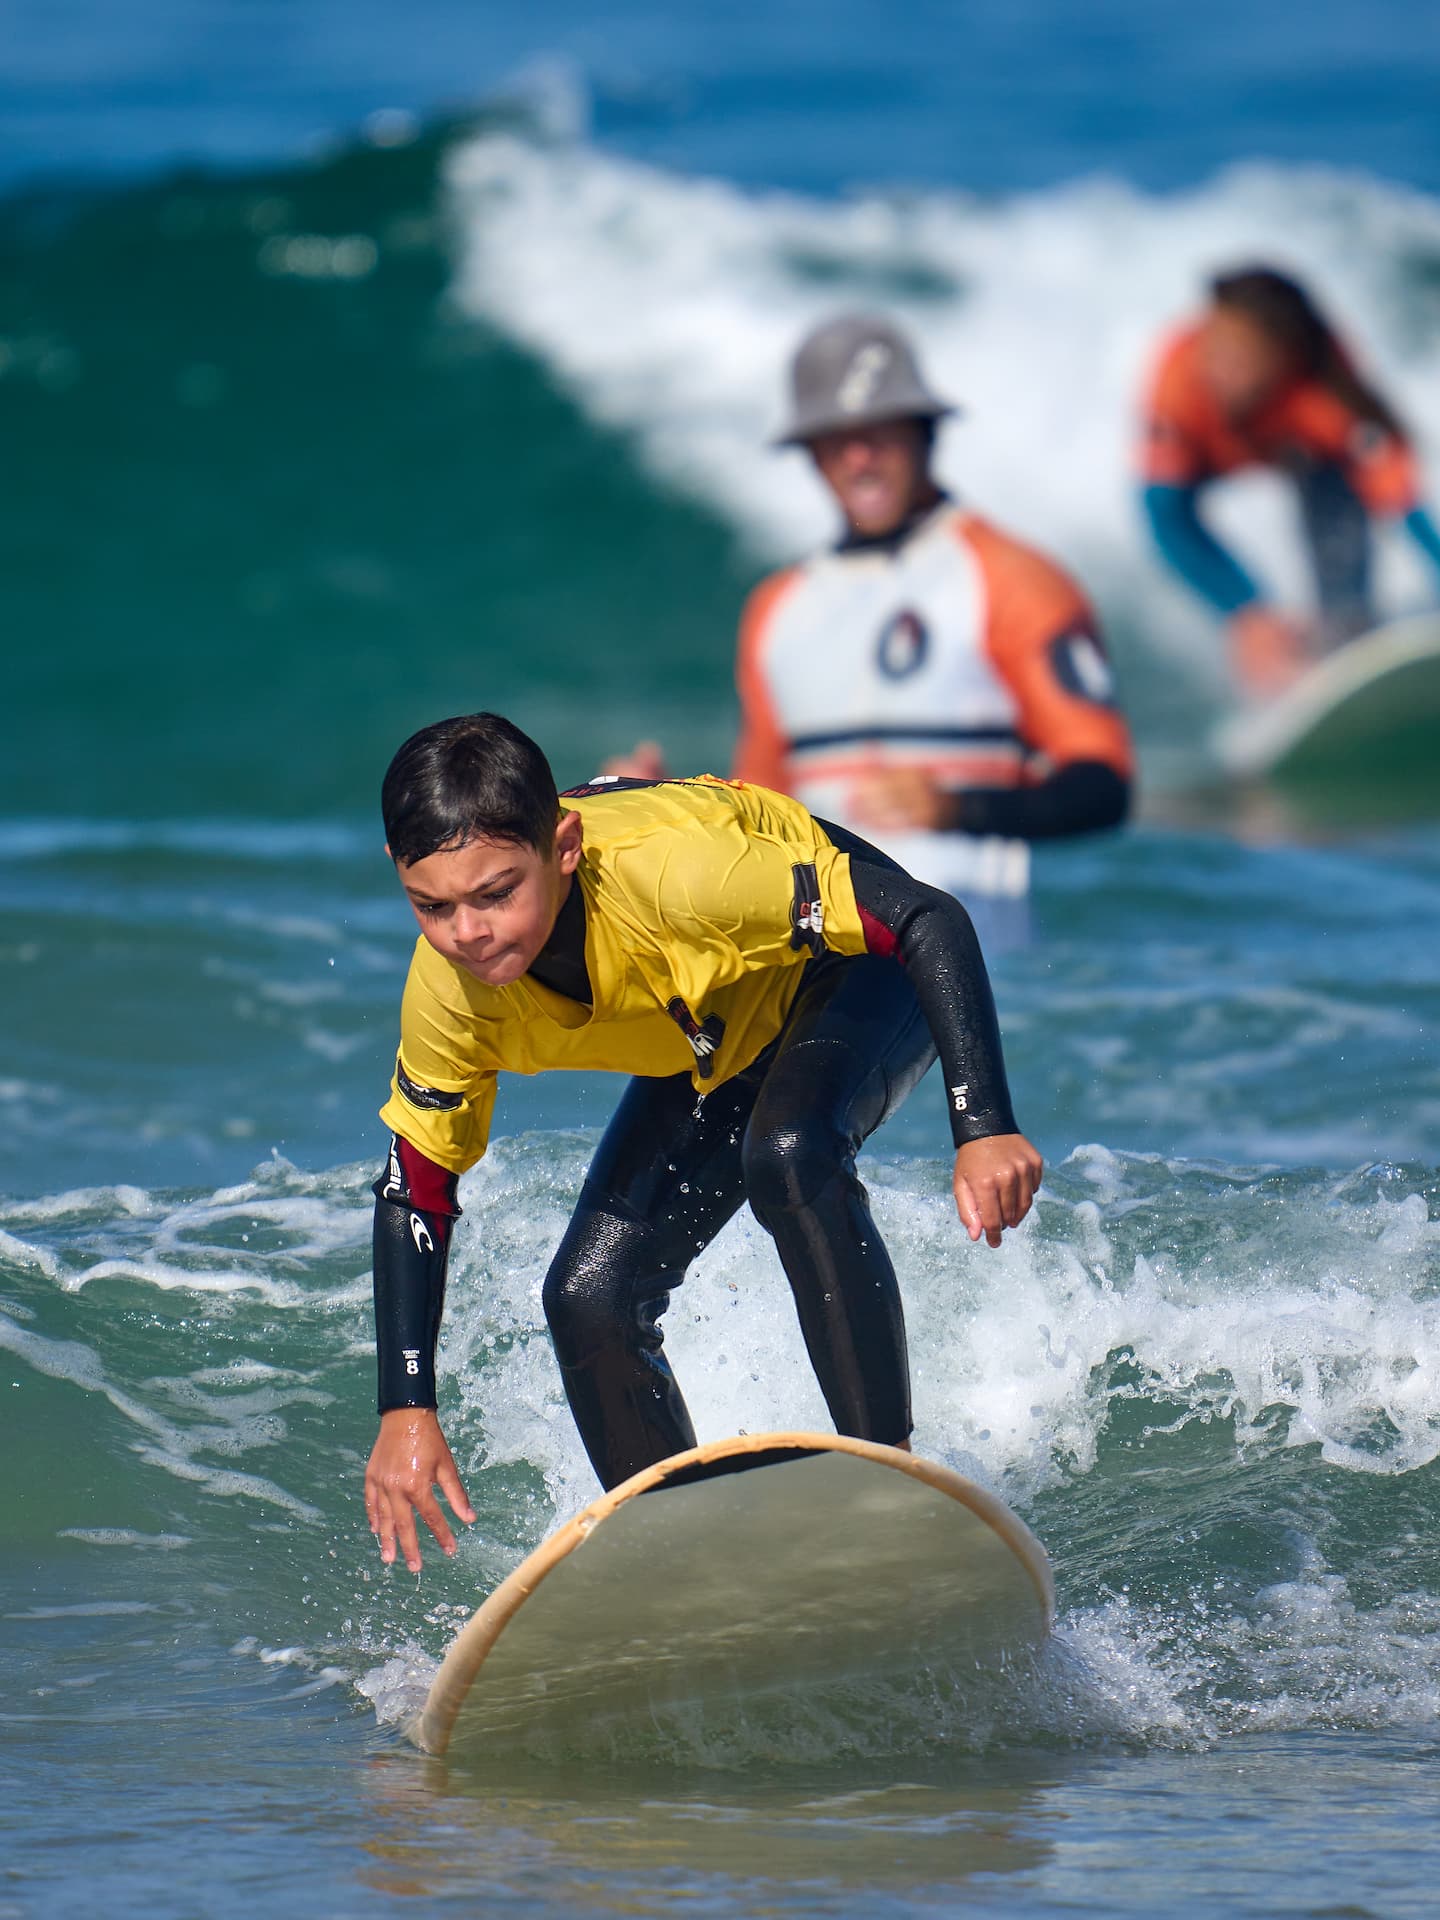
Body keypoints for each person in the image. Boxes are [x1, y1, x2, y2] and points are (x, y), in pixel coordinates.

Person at [363, 712, 1044, 1572]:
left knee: (790, 1152)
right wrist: (406, 1409)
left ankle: (891, 1489)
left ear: (564, 846)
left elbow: (926, 920)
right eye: (433, 905)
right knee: (588, 1294)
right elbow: (414, 1192)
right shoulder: (450, 994)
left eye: (497, 893)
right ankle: (681, 1561)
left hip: (849, 968)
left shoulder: (686, 882)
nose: (468, 932)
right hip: (720, 1025)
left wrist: (983, 1125)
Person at [610, 313, 1133, 921]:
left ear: (925, 434)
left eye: (880, 433)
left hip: (977, 947)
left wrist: (960, 809)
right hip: (825, 958)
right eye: (835, 438)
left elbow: (1103, 787)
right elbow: (760, 821)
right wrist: (664, 806)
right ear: (810, 455)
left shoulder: (1013, 578)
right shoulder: (775, 610)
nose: (859, 458)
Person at [1139, 265, 1440, 693]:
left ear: (1283, 358)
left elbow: (1400, 499)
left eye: (1239, 358)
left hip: (1307, 453)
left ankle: (1347, 650)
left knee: (1344, 600)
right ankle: (1280, 667)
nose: (1216, 370)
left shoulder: (1321, 397)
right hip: (1210, 452)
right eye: (1214, 347)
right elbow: (1166, 516)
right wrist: (1246, 611)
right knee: (1255, 627)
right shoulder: (1179, 378)